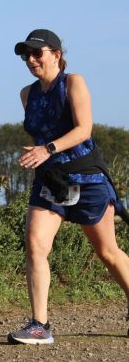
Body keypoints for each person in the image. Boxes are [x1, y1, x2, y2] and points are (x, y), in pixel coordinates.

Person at [7, 29, 129, 345]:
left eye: (37, 53)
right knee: (35, 244)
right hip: (51, 179)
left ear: (57, 54)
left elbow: (83, 130)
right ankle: (39, 326)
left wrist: (47, 149)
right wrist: (40, 154)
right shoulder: (27, 94)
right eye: (26, 55)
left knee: (107, 252)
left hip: (86, 177)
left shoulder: (73, 82)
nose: (31, 60)